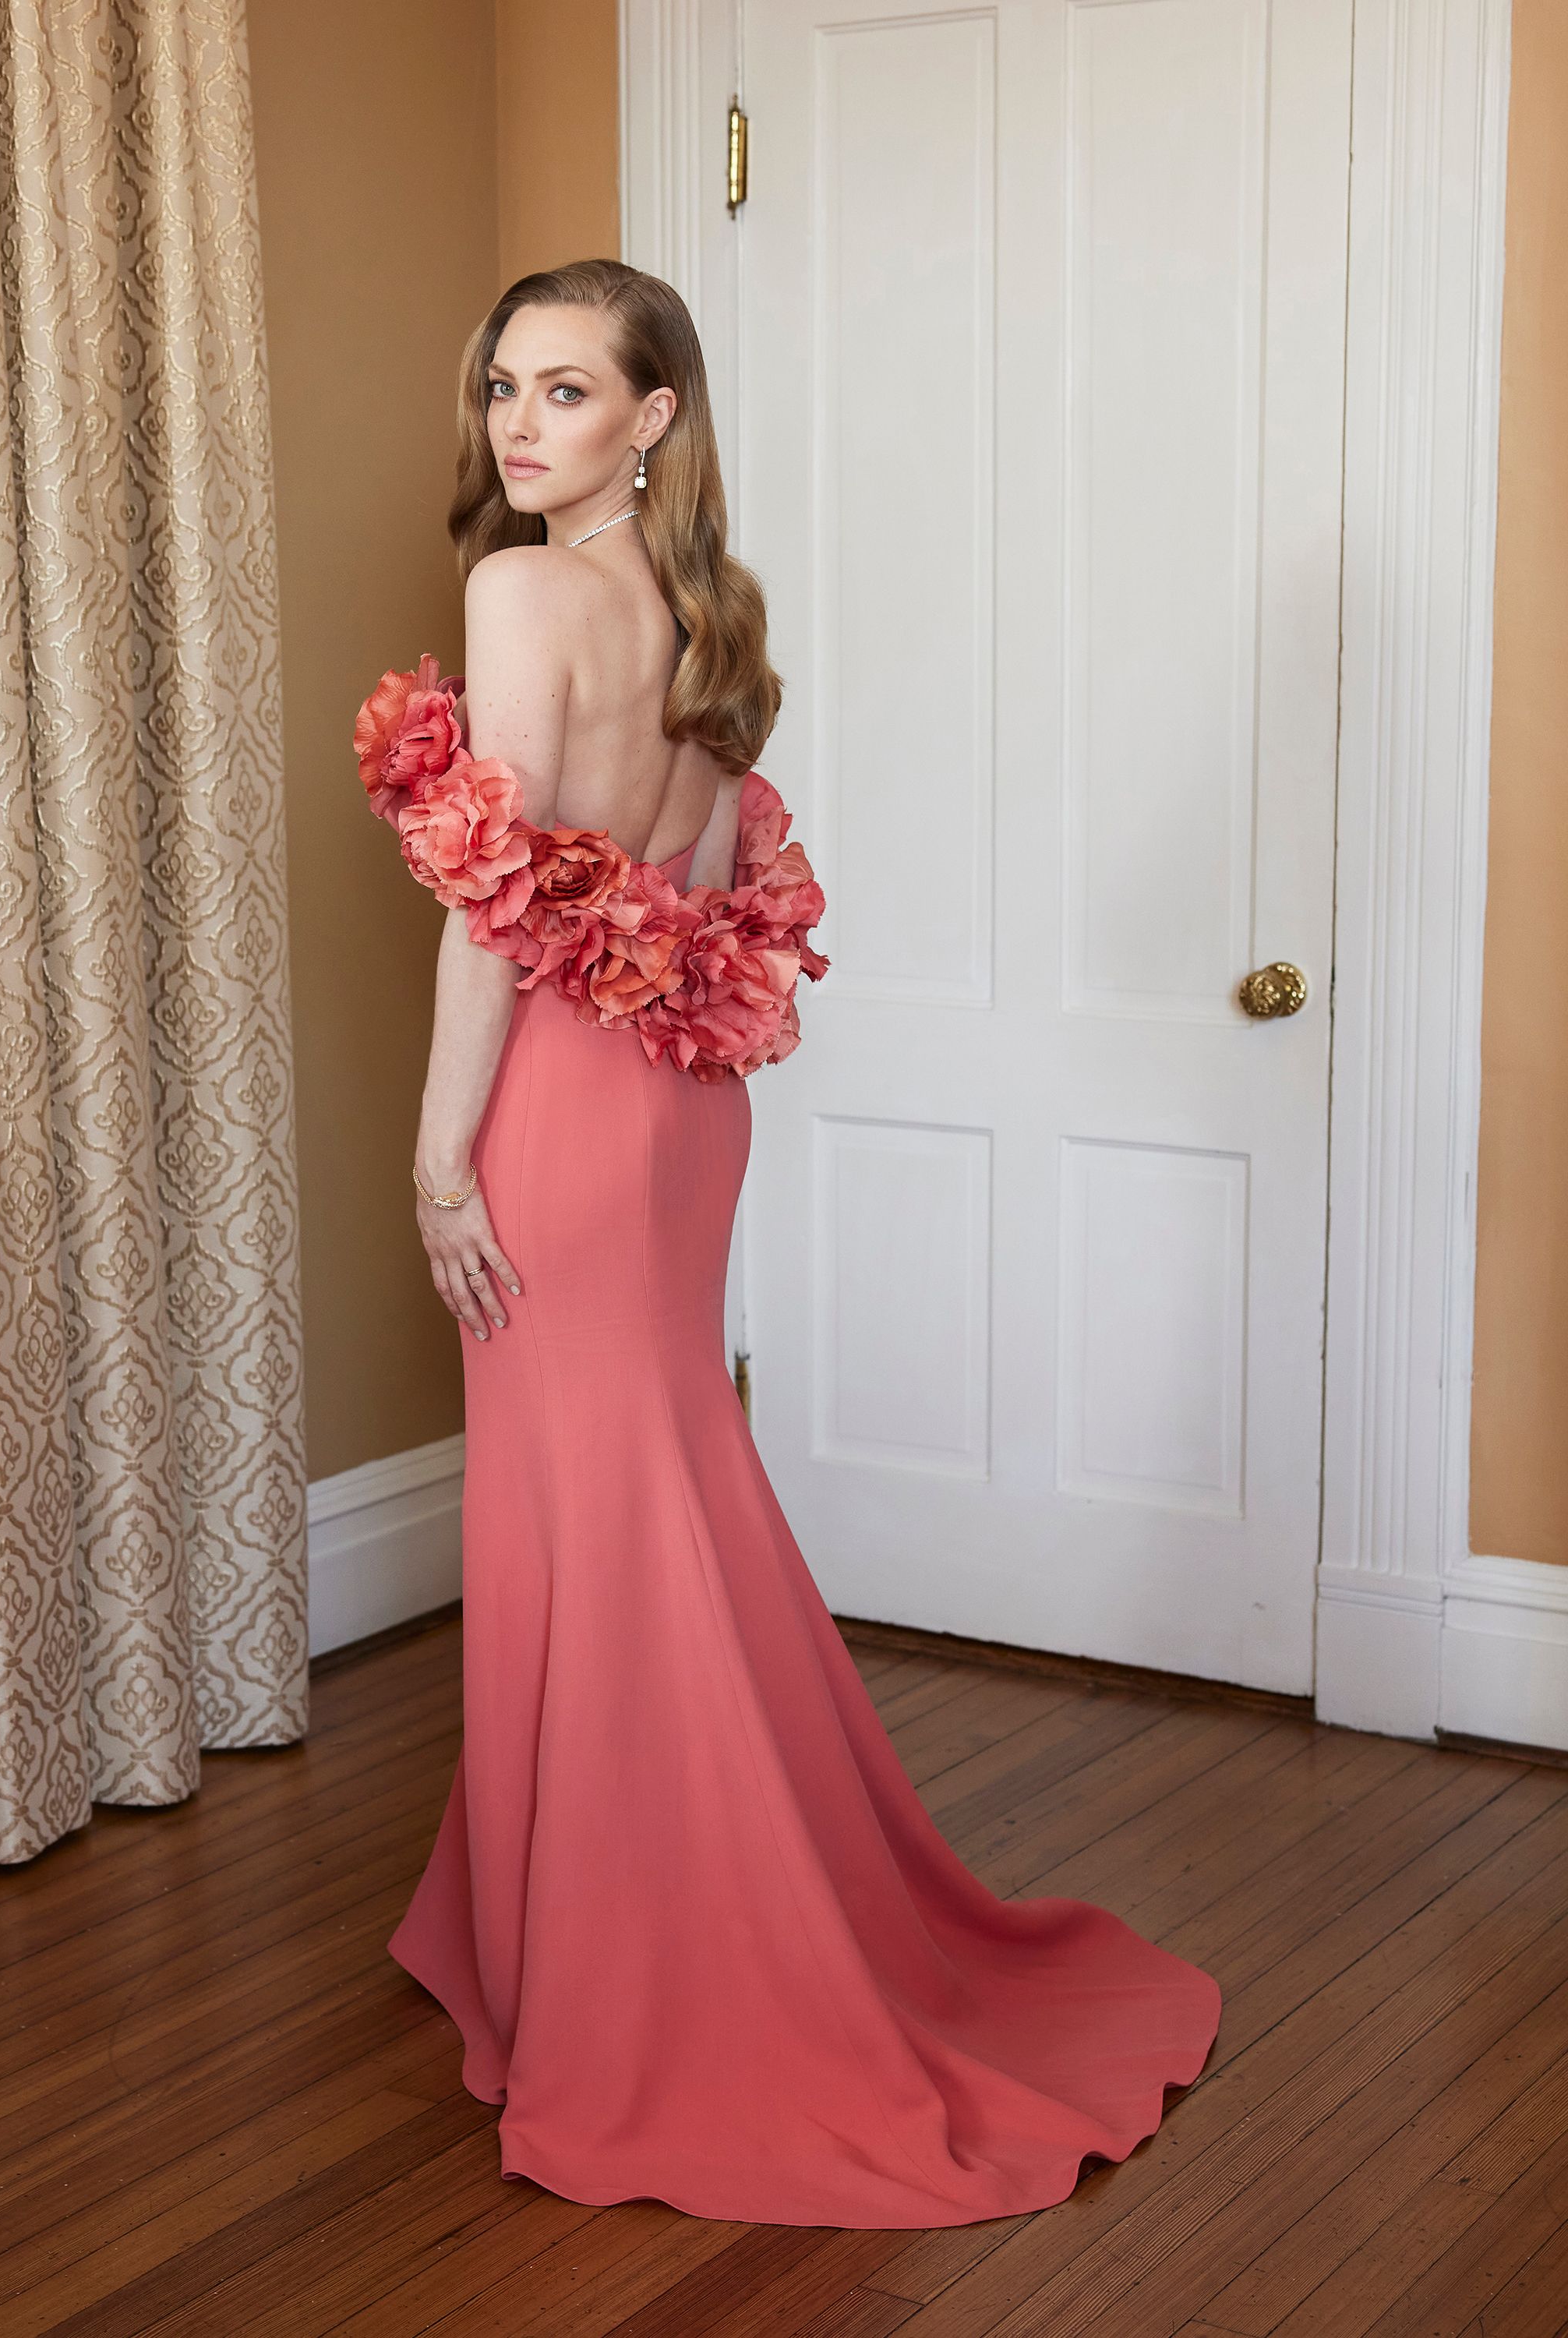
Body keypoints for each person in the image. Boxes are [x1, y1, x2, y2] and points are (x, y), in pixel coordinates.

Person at [354, 257, 1221, 2228]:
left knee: (589, 1512)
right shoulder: (711, 612)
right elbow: (723, 884)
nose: (517, 422)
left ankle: (639, 1964)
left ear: (654, 415)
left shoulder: (518, 592)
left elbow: (495, 897)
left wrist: (434, 1156)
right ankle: (605, 1911)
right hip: (682, 1103)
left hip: (563, 1104)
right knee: (661, 1486)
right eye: (504, 384)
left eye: (567, 391)